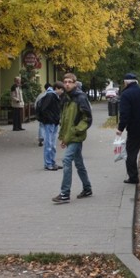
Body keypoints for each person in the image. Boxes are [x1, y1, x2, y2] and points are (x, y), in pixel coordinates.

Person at [51, 73, 93, 203]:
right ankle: (87, 188)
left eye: (70, 81)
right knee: (79, 163)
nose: (67, 84)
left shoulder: (80, 97)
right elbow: (65, 120)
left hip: (76, 136)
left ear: (75, 83)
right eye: (65, 82)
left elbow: (87, 119)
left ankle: (65, 193)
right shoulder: (66, 98)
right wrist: (64, 137)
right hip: (70, 136)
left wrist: (75, 132)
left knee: (66, 160)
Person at [39, 81, 64, 171]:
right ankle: (48, 164)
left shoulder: (54, 96)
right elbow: (44, 109)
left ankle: (52, 162)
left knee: (52, 145)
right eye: (61, 90)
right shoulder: (50, 95)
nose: (62, 92)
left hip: (53, 122)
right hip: (50, 123)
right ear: (56, 88)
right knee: (49, 144)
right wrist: (51, 119)